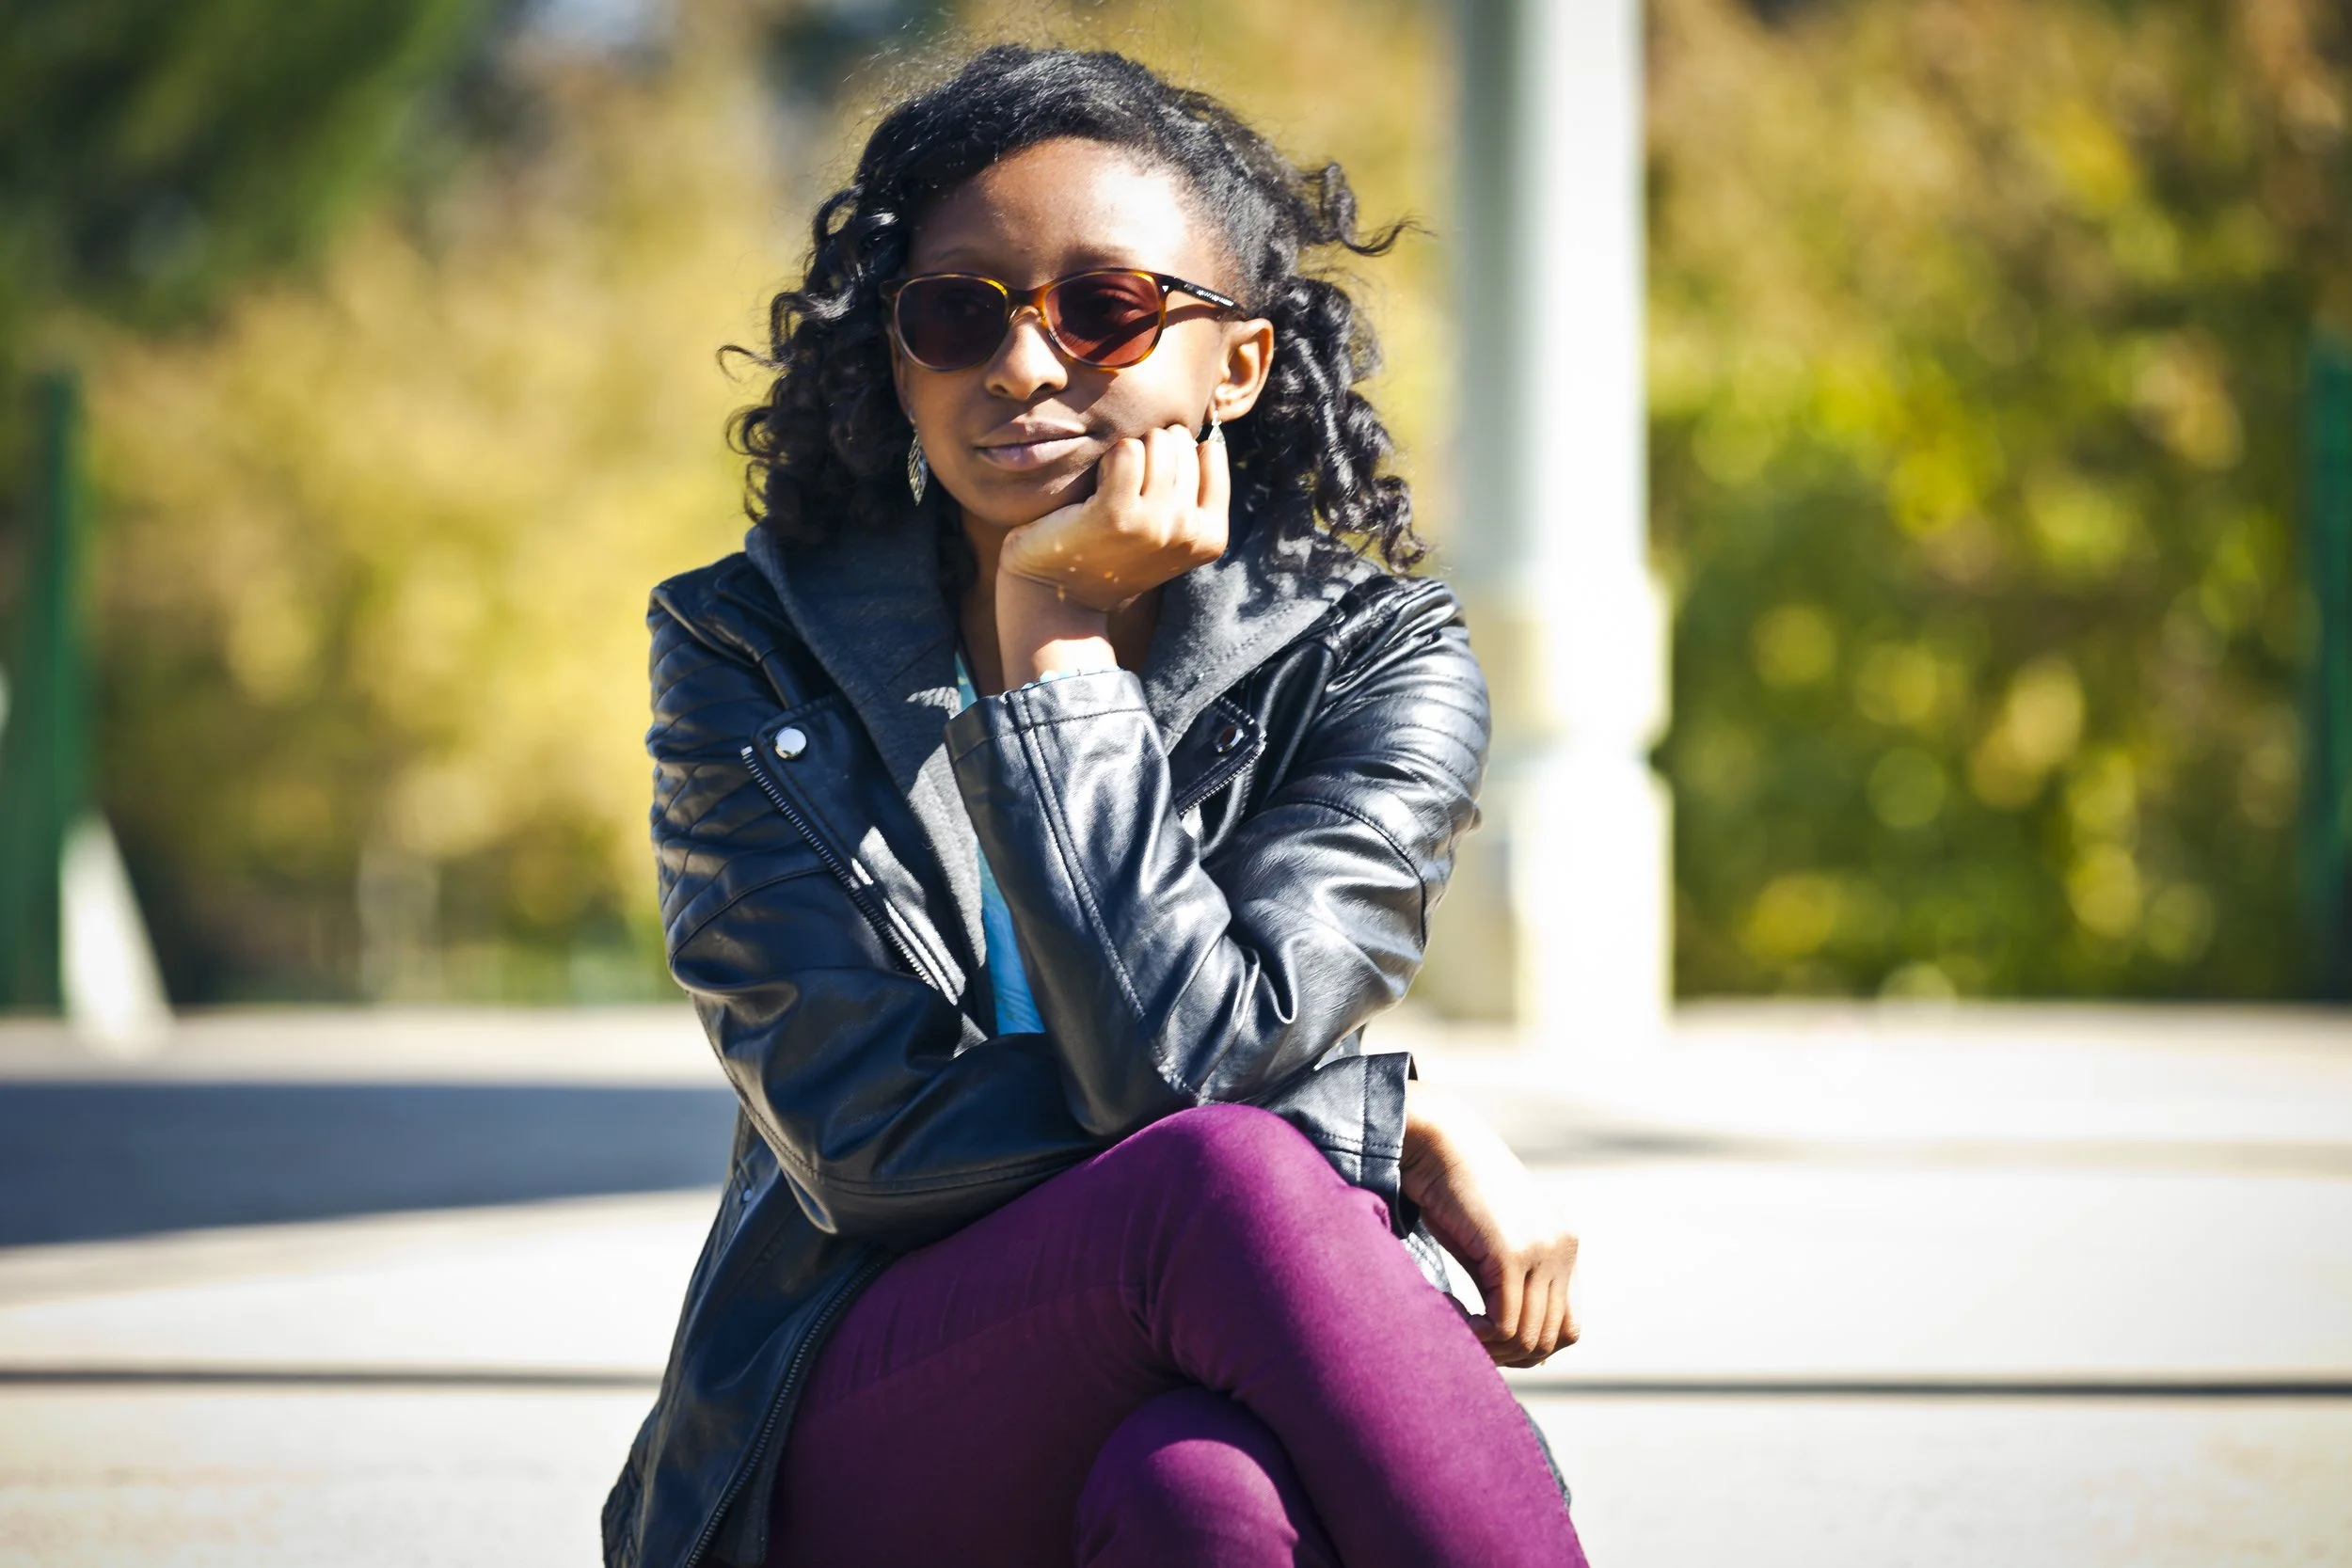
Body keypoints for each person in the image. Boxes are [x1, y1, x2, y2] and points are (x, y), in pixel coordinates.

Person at [603, 43, 1590, 1568]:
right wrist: (1378, 1124)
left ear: (1237, 365)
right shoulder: (749, 644)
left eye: (1103, 309)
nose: (1019, 365)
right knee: (1221, 1176)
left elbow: (1199, 1058)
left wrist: (1052, 647)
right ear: (898, 359)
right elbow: (867, 1138)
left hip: (1193, 1349)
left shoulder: (1373, 658)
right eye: (957, 313)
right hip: (860, 1409)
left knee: (1204, 1496)